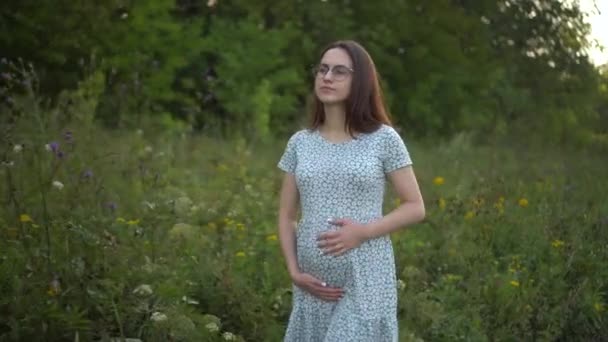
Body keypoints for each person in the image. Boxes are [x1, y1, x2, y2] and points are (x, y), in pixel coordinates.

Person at [276, 40, 426, 341]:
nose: (327, 77)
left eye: (339, 71)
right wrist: (294, 272)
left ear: (360, 82)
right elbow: (286, 215)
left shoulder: (384, 139)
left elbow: (415, 206)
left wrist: (362, 232)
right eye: (323, 69)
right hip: (312, 284)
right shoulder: (300, 143)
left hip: (365, 277)